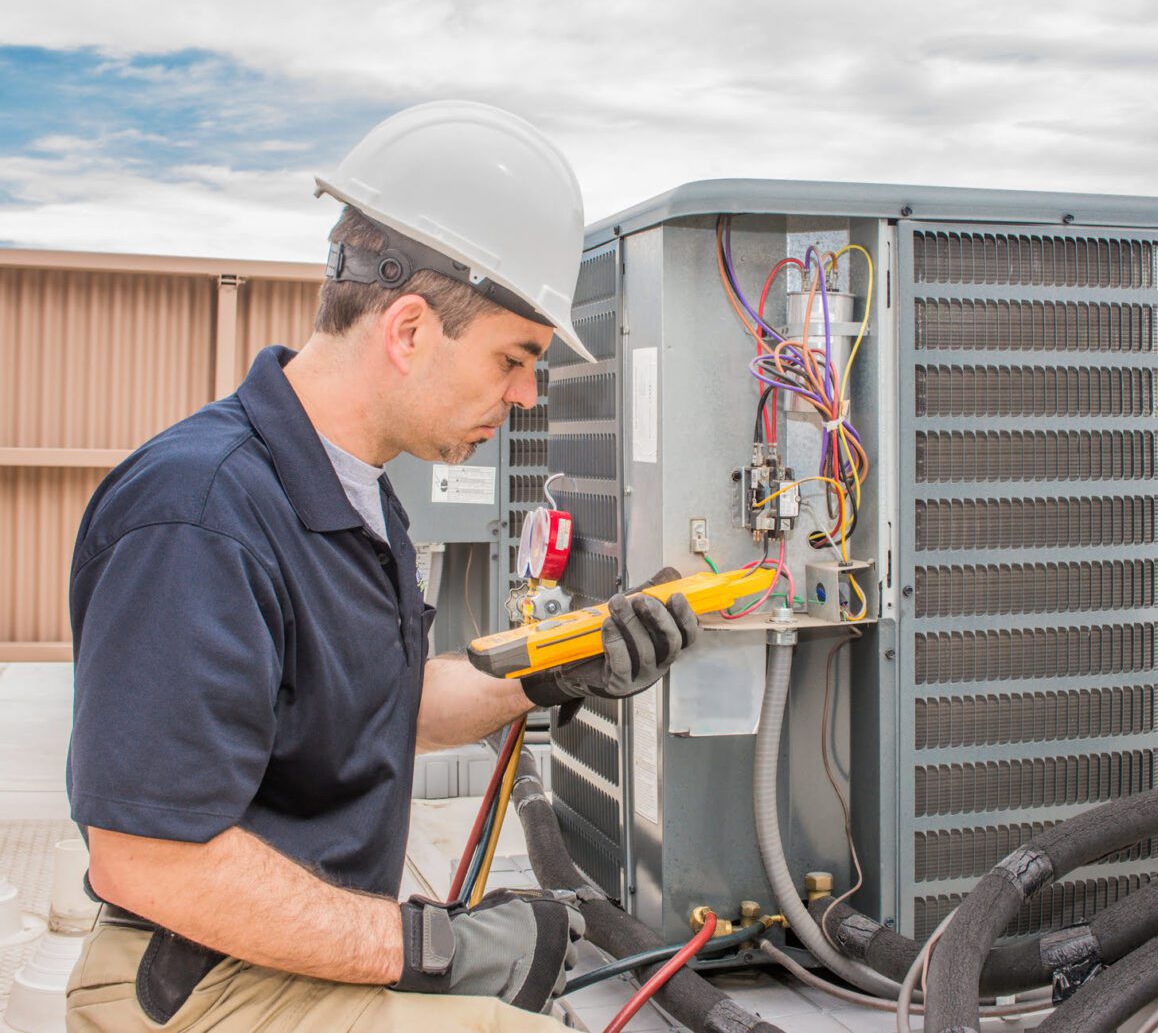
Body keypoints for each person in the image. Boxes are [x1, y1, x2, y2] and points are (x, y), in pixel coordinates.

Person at [64, 101, 699, 1031]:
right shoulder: (200, 516)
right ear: (407, 330)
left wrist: (560, 664)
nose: (525, 396)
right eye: (515, 358)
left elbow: (380, 714)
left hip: (283, 953)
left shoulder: (349, 495)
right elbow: (149, 857)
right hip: (195, 981)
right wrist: (429, 948)